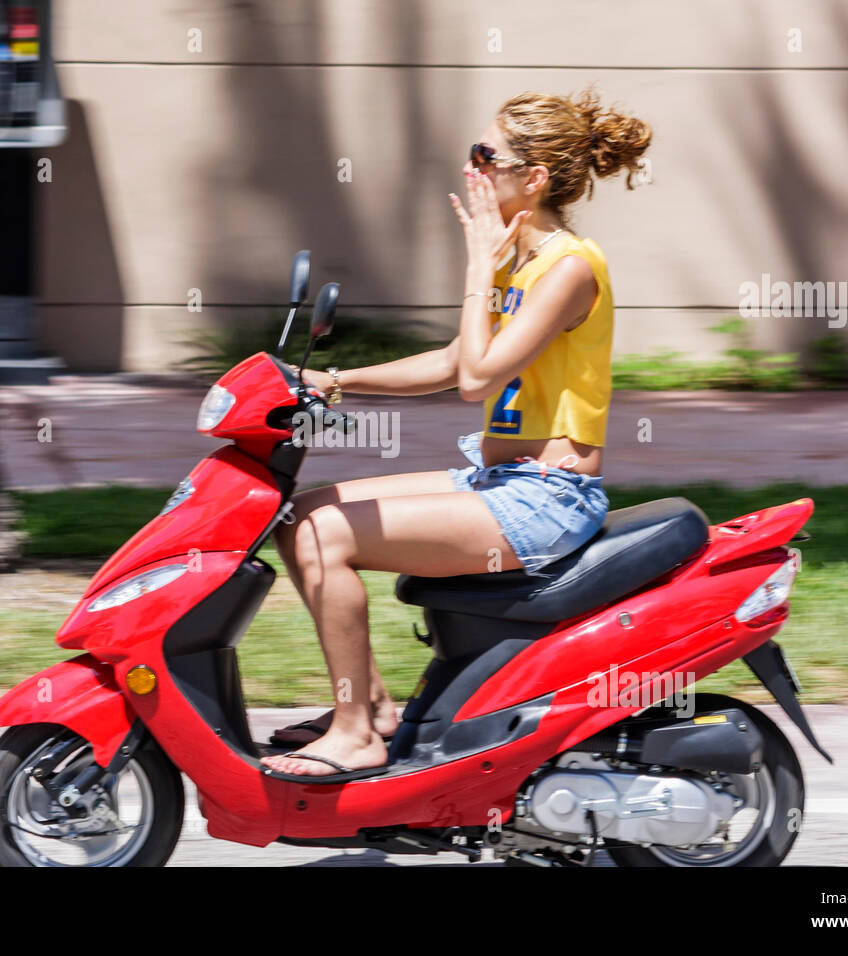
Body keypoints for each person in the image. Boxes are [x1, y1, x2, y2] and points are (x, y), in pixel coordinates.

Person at [259, 88, 652, 777]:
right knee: (303, 513)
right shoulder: (518, 262)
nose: (469, 172)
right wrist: (332, 381)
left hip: (546, 499)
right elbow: (452, 360)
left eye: (484, 157)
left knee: (328, 537)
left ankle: (354, 735)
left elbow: (475, 377)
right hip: (498, 478)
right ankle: (373, 705)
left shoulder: (567, 268)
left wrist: (476, 266)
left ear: (531, 179)